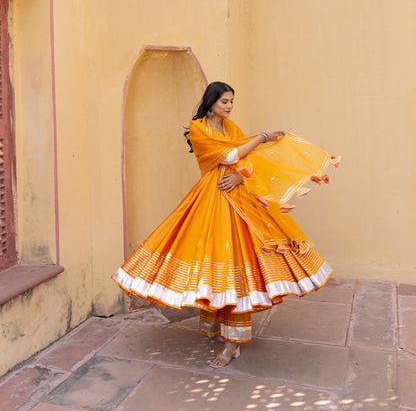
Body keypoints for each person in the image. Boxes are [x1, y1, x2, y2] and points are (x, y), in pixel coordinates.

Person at [112, 81, 339, 368]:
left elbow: (248, 160)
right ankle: (226, 333)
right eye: (224, 102)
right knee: (220, 264)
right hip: (213, 198)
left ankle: (232, 344)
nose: (230, 106)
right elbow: (232, 156)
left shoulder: (231, 128)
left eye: (232, 101)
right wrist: (263, 136)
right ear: (211, 103)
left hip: (239, 198)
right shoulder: (199, 127)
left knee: (241, 268)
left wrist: (241, 177)